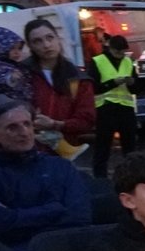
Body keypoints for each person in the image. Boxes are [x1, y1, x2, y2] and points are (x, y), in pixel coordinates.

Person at [0, 98, 91, 251]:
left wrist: (16, 217)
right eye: (12, 127)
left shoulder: (61, 167)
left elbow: (80, 217)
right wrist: (54, 209)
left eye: (27, 124)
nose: (24, 132)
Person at [22, 18, 95, 160]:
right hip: (25, 153)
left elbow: (86, 120)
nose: (46, 45)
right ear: (30, 46)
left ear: (58, 38)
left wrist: (56, 124)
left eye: (50, 38)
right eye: (38, 41)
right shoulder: (21, 74)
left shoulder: (77, 78)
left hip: (63, 155)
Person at [89, 35, 139, 178]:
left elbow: (137, 88)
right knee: (102, 148)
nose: (121, 55)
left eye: (123, 52)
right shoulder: (97, 61)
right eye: (118, 52)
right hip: (106, 109)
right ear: (110, 48)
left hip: (126, 109)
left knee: (130, 149)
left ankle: (132, 177)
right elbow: (94, 88)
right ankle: (100, 179)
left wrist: (132, 83)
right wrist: (113, 83)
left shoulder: (128, 61)